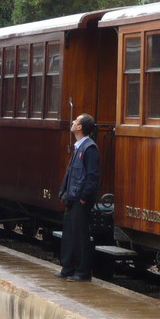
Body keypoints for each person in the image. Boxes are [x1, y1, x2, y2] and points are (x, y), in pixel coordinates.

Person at [57, 113, 100, 281]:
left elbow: (92, 175)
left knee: (80, 236)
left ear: (80, 127)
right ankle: (68, 268)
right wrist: (64, 192)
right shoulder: (78, 146)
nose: (73, 122)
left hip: (79, 199)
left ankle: (82, 272)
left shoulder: (89, 148)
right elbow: (70, 173)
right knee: (69, 234)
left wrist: (84, 197)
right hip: (72, 197)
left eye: (76, 121)